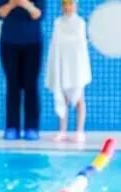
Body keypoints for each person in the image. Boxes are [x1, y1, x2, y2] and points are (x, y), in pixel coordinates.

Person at [0, 0, 46, 140]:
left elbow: (39, 14)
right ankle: (12, 126)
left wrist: (24, 3)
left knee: (31, 86)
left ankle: (31, 127)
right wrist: (12, 3)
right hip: (9, 43)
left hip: (32, 43)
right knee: (12, 85)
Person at [46, 0, 92, 143]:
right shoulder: (58, 23)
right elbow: (55, 46)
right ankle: (62, 130)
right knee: (62, 98)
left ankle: (80, 131)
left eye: (70, 4)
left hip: (76, 67)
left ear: (75, 6)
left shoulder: (80, 23)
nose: (67, 7)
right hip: (62, 65)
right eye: (65, 4)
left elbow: (79, 45)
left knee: (79, 99)